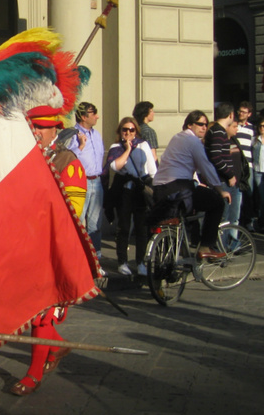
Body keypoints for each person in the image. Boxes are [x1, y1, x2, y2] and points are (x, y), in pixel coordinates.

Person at [8, 105, 90, 397]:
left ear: (56, 129)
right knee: (30, 311)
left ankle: (33, 373)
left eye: (42, 128)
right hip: (24, 247)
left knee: (42, 312)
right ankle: (56, 347)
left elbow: (71, 214)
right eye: (33, 126)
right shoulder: (21, 159)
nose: (36, 132)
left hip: (54, 249)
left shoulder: (68, 161)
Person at [152, 110, 232, 261]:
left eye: (206, 125)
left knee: (173, 223)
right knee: (216, 203)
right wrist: (220, 190)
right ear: (189, 125)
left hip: (160, 188)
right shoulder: (193, 141)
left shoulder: (176, 138)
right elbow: (206, 167)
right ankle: (206, 246)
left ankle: (166, 264)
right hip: (178, 187)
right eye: (200, 124)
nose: (204, 128)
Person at [105, 116, 157, 277]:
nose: (128, 132)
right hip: (125, 191)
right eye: (125, 129)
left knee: (142, 228)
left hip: (140, 190)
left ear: (136, 131)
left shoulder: (143, 145)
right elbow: (115, 166)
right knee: (124, 227)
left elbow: (151, 169)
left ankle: (141, 262)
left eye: (131, 130)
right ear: (120, 131)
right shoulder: (116, 147)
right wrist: (127, 149)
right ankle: (122, 262)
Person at [68, 102, 105, 259]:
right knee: (77, 220)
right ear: (84, 117)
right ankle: (76, 256)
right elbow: (67, 158)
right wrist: (81, 146)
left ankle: (95, 256)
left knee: (95, 222)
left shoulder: (96, 134)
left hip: (96, 180)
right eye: (93, 113)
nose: (97, 116)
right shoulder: (71, 134)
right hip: (80, 182)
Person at [205, 103, 241, 234]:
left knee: (226, 217)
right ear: (230, 115)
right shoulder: (219, 131)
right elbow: (216, 157)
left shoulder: (216, 130)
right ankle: (221, 249)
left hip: (221, 179)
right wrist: (230, 174)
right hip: (222, 180)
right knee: (224, 219)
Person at [235, 102, 255, 228]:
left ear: (249, 114)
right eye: (240, 111)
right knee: (238, 193)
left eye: (244, 112)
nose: (241, 114)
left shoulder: (252, 128)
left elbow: (253, 146)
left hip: (248, 165)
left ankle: (249, 221)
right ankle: (238, 219)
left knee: (249, 193)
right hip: (237, 163)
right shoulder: (234, 126)